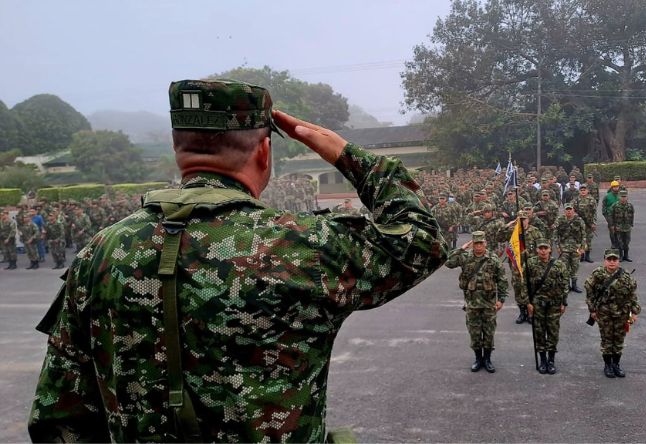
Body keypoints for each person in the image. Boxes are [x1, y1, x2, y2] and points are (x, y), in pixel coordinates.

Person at [28, 79, 448, 442]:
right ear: (264, 152)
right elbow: (421, 241)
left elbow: (59, 414)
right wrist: (346, 154)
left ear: (178, 150)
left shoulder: (99, 252)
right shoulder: (303, 246)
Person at [446, 231, 508, 373]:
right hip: (472, 304)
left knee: (489, 333)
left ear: (485, 243)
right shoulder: (465, 257)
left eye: (481, 243)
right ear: (472, 244)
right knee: (474, 333)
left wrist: (501, 299)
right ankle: (478, 359)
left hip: (489, 304)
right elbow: (448, 262)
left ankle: (487, 359)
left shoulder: (492, 258)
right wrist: (461, 248)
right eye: (476, 243)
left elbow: (502, 279)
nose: (478, 246)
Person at [584, 249, 640, 378]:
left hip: (622, 314)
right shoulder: (597, 274)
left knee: (619, 340)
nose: (612, 262)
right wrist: (592, 310)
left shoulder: (626, 276)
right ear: (605, 260)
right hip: (604, 314)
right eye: (609, 259)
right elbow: (589, 293)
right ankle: (608, 365)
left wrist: (635, 312)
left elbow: (633, 295)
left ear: (618, 261)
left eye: (614, 260)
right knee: (607, 340)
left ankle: (616, 364)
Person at [524, 239, 568, 374]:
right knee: (539, 332)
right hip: (537, 305)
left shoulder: (559, 265)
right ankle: (542, 360)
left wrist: (564, 302)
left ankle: (551, 360)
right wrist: (527, 303)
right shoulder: (530, 263)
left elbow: (565, 285)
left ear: (550, 250)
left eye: (545, 248)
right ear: (537, 250)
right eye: (540, 248)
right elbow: (524, 284)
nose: (543, 251)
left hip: (554, 305)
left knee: (553, 333)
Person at [554, 203, 586, 293]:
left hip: (576, 248)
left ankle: (574, 285)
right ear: (564, 211)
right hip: (564, 248)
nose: (569, 211)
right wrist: (557, 247)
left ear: (573, 210)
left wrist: (583, 247)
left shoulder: (579, 220)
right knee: (565, 268)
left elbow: (584, 234)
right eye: (567, 209)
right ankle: (566, 285)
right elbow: (555, 234)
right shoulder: (560, 220)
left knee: (575, 267)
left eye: (570, 209)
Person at [574, 184, 598, 263]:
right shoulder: (576, 200)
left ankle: (587, 256)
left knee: (588, 240)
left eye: (584, 190)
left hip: (589, 223)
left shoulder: (591, 200)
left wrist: (594, 223)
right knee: (579, 239)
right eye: (581, 190)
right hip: (579, 223)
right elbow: (572, 211)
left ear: (587, 191)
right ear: (579, 191)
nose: (583, 191)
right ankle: (581, 256)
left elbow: (594, 212)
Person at [610, 189, 634, 262]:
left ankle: (626, 256)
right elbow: (611, 216)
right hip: (618, 227)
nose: (623, 198)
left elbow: (632, 215)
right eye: (622, 197)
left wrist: (631, 224)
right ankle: (620, 256)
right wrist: (612, 226)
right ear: (619, 197)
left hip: (627, 227)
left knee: (627, 242)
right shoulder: (615, 205)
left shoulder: (630, 206)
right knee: (619, 242)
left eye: (625, 197)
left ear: (627, 197)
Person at [602, 180, 621, 248]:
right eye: (614, 187)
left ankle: (618, 243)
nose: (616, 188)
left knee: (619, 231)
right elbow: (604, 208)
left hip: (619, 217)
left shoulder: (621, 195)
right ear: (612, 187)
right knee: (612, 231)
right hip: (610, 217)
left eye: (617, 187)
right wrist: (607, 217)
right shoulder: (607, 196)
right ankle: (613, 243)